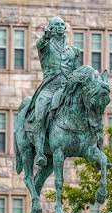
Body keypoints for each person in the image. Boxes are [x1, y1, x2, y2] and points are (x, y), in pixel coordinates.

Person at [26, 17, 80, 167]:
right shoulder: (46, 46)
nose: (60, 27)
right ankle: (40, 152)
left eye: (62, 24)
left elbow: (76, 72)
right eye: (56, 25)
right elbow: (39, 44)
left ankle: (94, 146)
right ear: (51, 28)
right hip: (49, 88)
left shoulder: (73, 51)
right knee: (40, 112)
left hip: (66, 90)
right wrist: (45, 36)